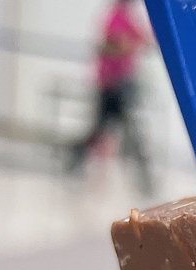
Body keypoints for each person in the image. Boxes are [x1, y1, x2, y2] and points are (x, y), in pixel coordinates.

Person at [66, 0, 154, 192]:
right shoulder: (115, 16)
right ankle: (73, 159)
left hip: (121, 83)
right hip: (110, 84)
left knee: (123, 131)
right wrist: (130, 45)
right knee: (106, 130)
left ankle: (146, 180)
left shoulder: (126, 17)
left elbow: (143, 39)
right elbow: (113, 45)